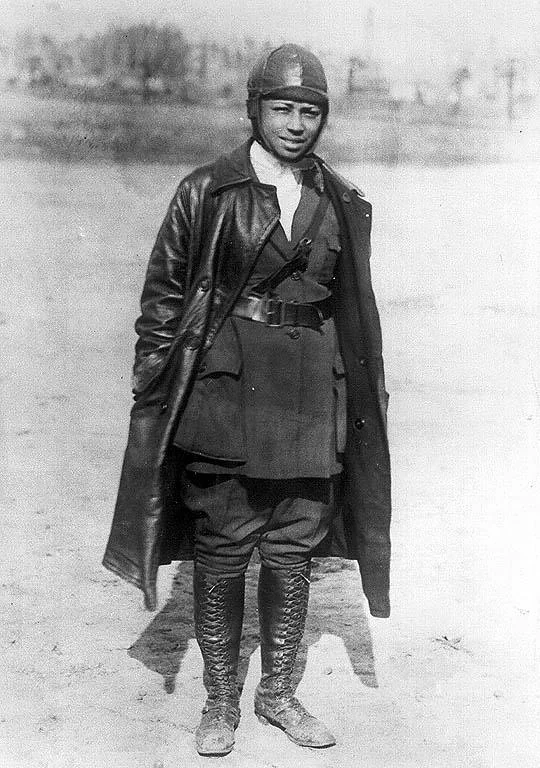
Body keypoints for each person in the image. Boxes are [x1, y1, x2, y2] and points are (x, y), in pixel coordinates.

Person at [103, 43, 391, 757]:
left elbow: (356, 311)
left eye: (309, 111)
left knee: (294, 549)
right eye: (282, 108)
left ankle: (278, 696)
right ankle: (222, 700)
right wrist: (155, 384)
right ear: (255, 110)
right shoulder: (208, 190)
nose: (296, 123)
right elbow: (164, 298)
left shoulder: (341, 200)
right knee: (225, 548)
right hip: (225, 394)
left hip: (309, 399)